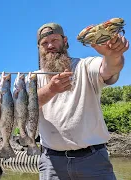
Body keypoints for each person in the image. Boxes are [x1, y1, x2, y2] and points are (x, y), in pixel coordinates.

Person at [35, 22, 129, 179]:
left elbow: (109, 68)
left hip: (93, 160)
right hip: (52, 163)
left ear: (65, 41)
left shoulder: (84, 66)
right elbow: (24, 105)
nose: (50, 45)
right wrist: (51, 90)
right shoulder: (34, 78)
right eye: (44, 43)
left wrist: (113, 55)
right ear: (39, 48)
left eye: (55, 40)